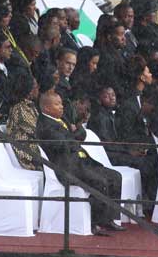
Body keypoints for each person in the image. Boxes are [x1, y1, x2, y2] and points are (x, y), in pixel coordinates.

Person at [36, 91, 124, 235]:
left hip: (81, 161)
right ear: (46, 108)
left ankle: (108, 219)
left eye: (61, 103)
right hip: (68, 167)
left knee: (115, 176)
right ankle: (94, 223)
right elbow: (64, 144)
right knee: (99, 182)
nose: (62, 107)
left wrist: (75, 134)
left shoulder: (60, 118)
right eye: (57, 104)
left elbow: (78, 134)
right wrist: (75, 134)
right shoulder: (45, 125)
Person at [6, 70, 42, 171]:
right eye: (36, 87)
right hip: (29, 155)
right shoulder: (20, 108)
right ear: (29, 91)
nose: (38, 89)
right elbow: (37, 131)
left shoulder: (30, 106)